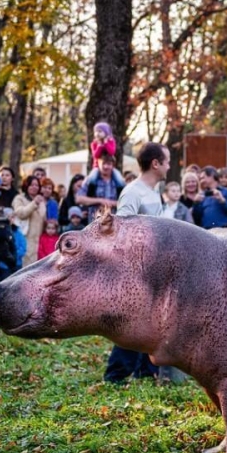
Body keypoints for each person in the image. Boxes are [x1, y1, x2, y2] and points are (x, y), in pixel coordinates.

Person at [105, 142, 186, 385]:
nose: (169, 165)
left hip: (155, 269)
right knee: (132, 323)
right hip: (136, 270)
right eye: (168, 160)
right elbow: (122, 230)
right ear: (155, 164)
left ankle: (145, 371)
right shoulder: (133, 192)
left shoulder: (154, 193)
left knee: (150, 322)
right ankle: (115, 375)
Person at [77, 152, 124, 221]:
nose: (106, 166)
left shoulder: (119, 182)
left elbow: (127, 202)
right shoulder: (91, 180)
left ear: (113, 165)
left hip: (114, 223)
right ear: (98, 164)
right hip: (94, 222)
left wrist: (112, 203)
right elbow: (79, 198)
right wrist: (100, 201)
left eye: (109, 164)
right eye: (103, 163)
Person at [11, 175, 46, 266]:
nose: (34, 187)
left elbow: (43, 219)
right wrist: (34, 203)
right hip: (24, 239)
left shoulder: (41, 200)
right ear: (26, 186)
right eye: (31, 185)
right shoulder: (19, 198)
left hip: (39, 241)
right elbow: (21, 214)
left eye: (37, 185)